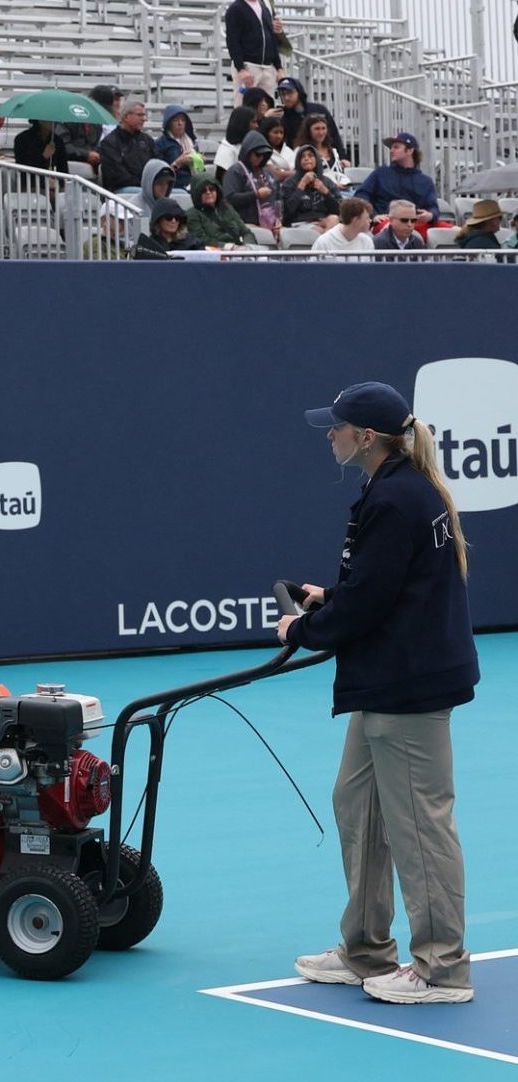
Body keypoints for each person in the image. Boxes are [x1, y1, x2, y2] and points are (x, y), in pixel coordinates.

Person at [285, 381, 476, 1006]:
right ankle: (367, 949)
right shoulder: (395, 491)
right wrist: (330, 597)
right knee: (358, 804)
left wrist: (304, 626)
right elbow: (384, 587)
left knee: (420, 824)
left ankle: (443, 968)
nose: (329, 436)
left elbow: (370, 605)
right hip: (386, 682)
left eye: (336, 428)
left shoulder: (396, 499)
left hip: (408, 688)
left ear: (366, 438)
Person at [354, 132, 440, 227]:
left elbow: (433, 207)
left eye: (396, 147)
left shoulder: (425, 181)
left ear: (410, 150)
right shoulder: (380, 173)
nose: (391, 150)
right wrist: (373, 215)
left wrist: (430, 215)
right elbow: (361, 196)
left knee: (455, 232)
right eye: (391, 147)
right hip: (387, 223)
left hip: (415, 223)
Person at [223, 128, 280, 230]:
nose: (260, 158)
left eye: (264, 155)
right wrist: (255, 195)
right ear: (248, 152)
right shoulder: (235, 171)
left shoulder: (267, 173)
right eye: (257, 154)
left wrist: (278, 219)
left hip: (270, 223)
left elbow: (277, 198)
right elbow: (230, 198)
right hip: (245, 224)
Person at [276, 76, 342, 164]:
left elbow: (334, 134)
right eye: (283, 94)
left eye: (290, 93)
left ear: (299, 93)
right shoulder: (283, 118)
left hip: (327, 157)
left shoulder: (319, 110)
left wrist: (342, 157)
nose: (286, 98)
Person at [225, 0, 285, 95]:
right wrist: (240, 69)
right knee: (244, 107)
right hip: (248, 67)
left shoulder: (264, 9)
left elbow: (271, 40)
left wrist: (279, 68)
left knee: (268, 107)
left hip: (267, 68)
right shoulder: (235, 9)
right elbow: (232, 41)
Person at [96, 101, 156, 193]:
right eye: (140, 115)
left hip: (147, 188)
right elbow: (117, 176)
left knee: (180, 194)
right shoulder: (109, 143)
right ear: (126, 116)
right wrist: (144, 184)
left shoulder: (147, 140)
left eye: (144, 115)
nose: (144, 119)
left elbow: (157, 164)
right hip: (121, 190)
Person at [214, 85, 275, 174]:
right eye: (253, 122)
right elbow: (224, 180)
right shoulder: (227, 149)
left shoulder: (252, 144)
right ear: (243, 124)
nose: (257, 126)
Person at [186, 175, 255, 247]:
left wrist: (248, 246)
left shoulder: (227, 207)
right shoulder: (193, 214)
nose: (208, 192)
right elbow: (201, 240)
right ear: (197, 194)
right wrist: (229, 247)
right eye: (203, 190)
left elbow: (246, 232)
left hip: (241, 251)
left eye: (211, 189)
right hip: (216, 254)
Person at [282, 145, 340, 228]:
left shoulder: (327, 182)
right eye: (303, 156)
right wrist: (302, 185)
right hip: (299, 223)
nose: (306, 158)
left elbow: (339, 210)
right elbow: (286, 213)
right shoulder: (290, 183)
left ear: (317, 159)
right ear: (298, 162)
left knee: (333, 219)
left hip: (323, 221)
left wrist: (325, 191)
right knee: (319, 231)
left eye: (310, 156)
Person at [56, 85, 113, 169]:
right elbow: (61, 144)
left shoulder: (97, 124)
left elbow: (95, 146)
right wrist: (86, 155)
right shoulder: (69, 117)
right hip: (69, 167)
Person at [152, 104, 204, 188]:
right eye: (176, 120)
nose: (180, 123)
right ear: (169, 123)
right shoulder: (161, 144)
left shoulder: (192, 142)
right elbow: (159, 174)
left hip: (193, 183)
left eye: (183, 120)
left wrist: (199, 162)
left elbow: (200, 170)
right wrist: (178, 163)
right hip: (173, 185)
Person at [297, 113, 350, 191]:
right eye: (317, 129)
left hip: (339, 190)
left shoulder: (333, 151)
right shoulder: (302, 151)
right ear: (309, 131)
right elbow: (303, 175)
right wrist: (332, 185)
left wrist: (341, 164)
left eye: (323, 128)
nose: (321, 132)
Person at [134, 197, 199, 257]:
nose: (173, 221)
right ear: (158, 220)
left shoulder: (193, 244)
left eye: (177, 218)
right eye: (169, 217)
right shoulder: (149, 246)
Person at [258, 114, 294, 183]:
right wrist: (294, 173)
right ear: (267, 133)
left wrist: (281, 170)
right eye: (275, 132)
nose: (279, 136)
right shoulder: (262, 151)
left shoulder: (288, 150)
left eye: (281, 133)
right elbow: (276, 175)